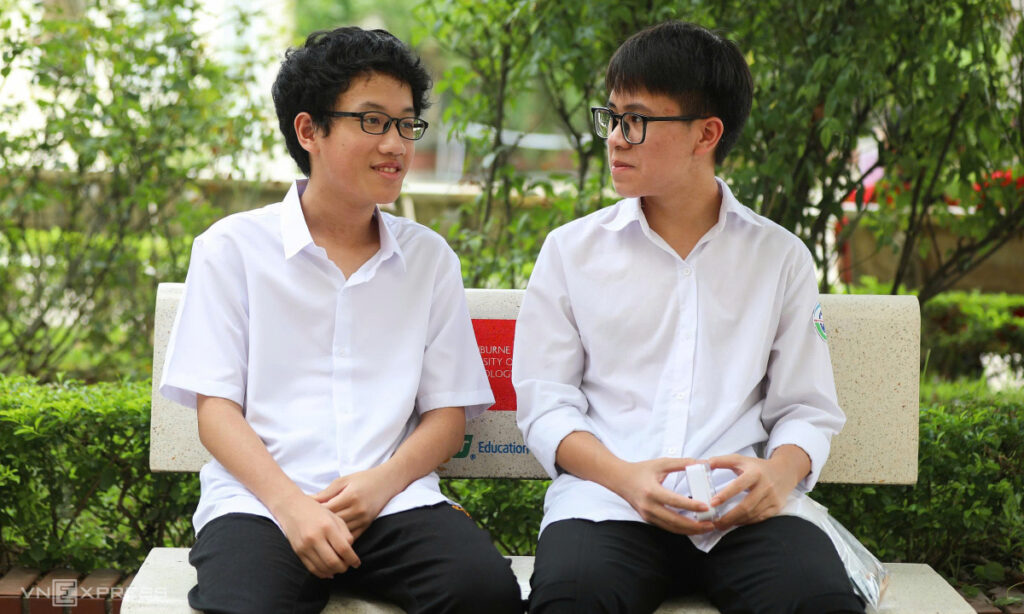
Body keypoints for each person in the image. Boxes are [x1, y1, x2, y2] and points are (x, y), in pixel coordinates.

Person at [160, 26, 522, 614]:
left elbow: (447, 417)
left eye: (406, 124)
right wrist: (292, 507)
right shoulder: (232, 249)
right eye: (373, 121)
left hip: (393, 502)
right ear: (309, 130)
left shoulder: (429, 259)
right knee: (244, 606)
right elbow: (216, 412)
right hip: (261, 504)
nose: (396, 144)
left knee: (485, 595)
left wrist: (381, 484)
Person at [512, 21, 864, 614]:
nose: (616, 139)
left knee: (821, 603)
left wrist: (777, 477)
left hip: (742, 511)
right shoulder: (571, 252)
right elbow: (546, 405)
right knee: (572, 600)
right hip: (608, 504)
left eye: (637, 119)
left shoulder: (778, 257)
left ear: (707, 133)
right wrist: (626, 479)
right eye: (612, 117)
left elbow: (806, 408)